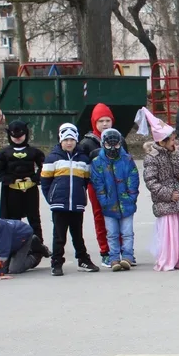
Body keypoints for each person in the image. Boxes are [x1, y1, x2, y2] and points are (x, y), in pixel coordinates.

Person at [139, 107, 179, 271]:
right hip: (165, 201)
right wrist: (167, 194)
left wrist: (176, 155)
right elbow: (150, 181)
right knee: (169, 233)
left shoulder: (175, 153)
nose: (175, 143)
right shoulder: (152, 158)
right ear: (161, 142)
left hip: (178, 199)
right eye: (171, 140)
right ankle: (168, 259)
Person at [42, 123, 98, 275]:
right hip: (59, 204)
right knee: (59, 236)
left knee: (77, 235)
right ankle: (56, 262)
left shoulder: (83, 159)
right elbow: (45, 182)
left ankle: (83, 259)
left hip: (77, 204)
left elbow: (86, 180)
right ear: (60, 140)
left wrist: (79, 193)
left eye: (72, 139)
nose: (69, 142)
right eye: (66, 139)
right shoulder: (53, 158)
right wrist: (52, 198)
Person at [78, 103, 124, 265]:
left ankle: (122, 250)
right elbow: (83, 168)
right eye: (100, 121)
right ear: (94, 123)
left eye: (107, 120)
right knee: (100, 217)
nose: (105, 124)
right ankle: (105, 251)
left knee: (120, 216)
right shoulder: (87, 143)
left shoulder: (119, 139)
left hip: (117, 185)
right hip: (97, 187)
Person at [89, 128, 140, 271]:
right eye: (109, 145)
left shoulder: (127, 159)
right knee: (111, 233)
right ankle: (114, 258)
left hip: (126, 204)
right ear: (103, 144)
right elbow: (97, 184)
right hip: (108, 205)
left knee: (127, 232)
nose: (113, 148)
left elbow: (133, 178)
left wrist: (131, 197)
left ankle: (128, 257)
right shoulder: (97, 162)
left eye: (116, 145)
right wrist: (104, 200)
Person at [0, 120, 45, 242]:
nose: (17, 138)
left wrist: (34, 178)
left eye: (20, 135)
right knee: (12, 219)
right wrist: (9, 180)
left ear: (26, 134)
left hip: (30, 189)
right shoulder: (3, 153)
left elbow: (44, 167)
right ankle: (13, 243)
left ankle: (38, 243)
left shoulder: (34, 152)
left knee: (34, 218)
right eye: (14, 136)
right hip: (12, 190)